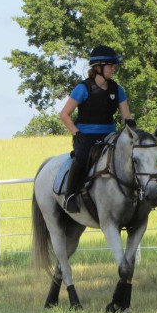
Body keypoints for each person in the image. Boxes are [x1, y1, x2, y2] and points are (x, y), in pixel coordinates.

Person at [59, 45, 135, 213]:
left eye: (114, 66)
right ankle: (70, 196)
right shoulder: (83, 88)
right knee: (82, 156)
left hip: (110, 134)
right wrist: (76, 133)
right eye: (110, 65)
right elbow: (64, 114)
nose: (114, 69)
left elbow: (126, 116)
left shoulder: (117, 89)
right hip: (85, 136)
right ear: (98, 67)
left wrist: (130, 125)